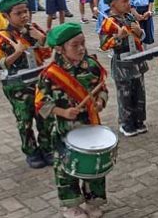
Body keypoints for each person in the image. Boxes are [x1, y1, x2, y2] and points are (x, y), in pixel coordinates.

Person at [36, 23, 109, 218]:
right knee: (66, 169)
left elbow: (102, 88)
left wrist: (101, 101)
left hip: (90, 125)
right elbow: (41, 104)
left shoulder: (91, 66)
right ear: (60, 49)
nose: (81, 48)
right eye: (75, 45)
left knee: (94, 165)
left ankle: (93, 201)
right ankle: (71, 205)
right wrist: (62, 111)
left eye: (82, 43)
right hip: (63, 129)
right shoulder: (50, 74)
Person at [0, 0, 53, 168]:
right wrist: (17, 53)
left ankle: (47, 147)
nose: (24, 16)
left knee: (45, 114)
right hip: (18, 85)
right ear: (6, 16)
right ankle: (32, 152)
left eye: (25, 11)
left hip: (38, 80)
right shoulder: (3, 36)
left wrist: (41, 38)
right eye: (18, 13)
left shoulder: (33, 28)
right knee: (25, 119)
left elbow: (48, 52)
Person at [100, 0, 148, 137]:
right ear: (113, 4)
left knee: (139, 91)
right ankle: (126, 123)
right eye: (125, 1)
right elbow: (103, 45)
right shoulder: (109, 22)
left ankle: (139, 121)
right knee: (125, 94)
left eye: (129, 0)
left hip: (137, 59)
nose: (129, 4)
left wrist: (139, 31)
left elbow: (141, 37)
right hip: (122, 62)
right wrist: (117, 38)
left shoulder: (130, 17)